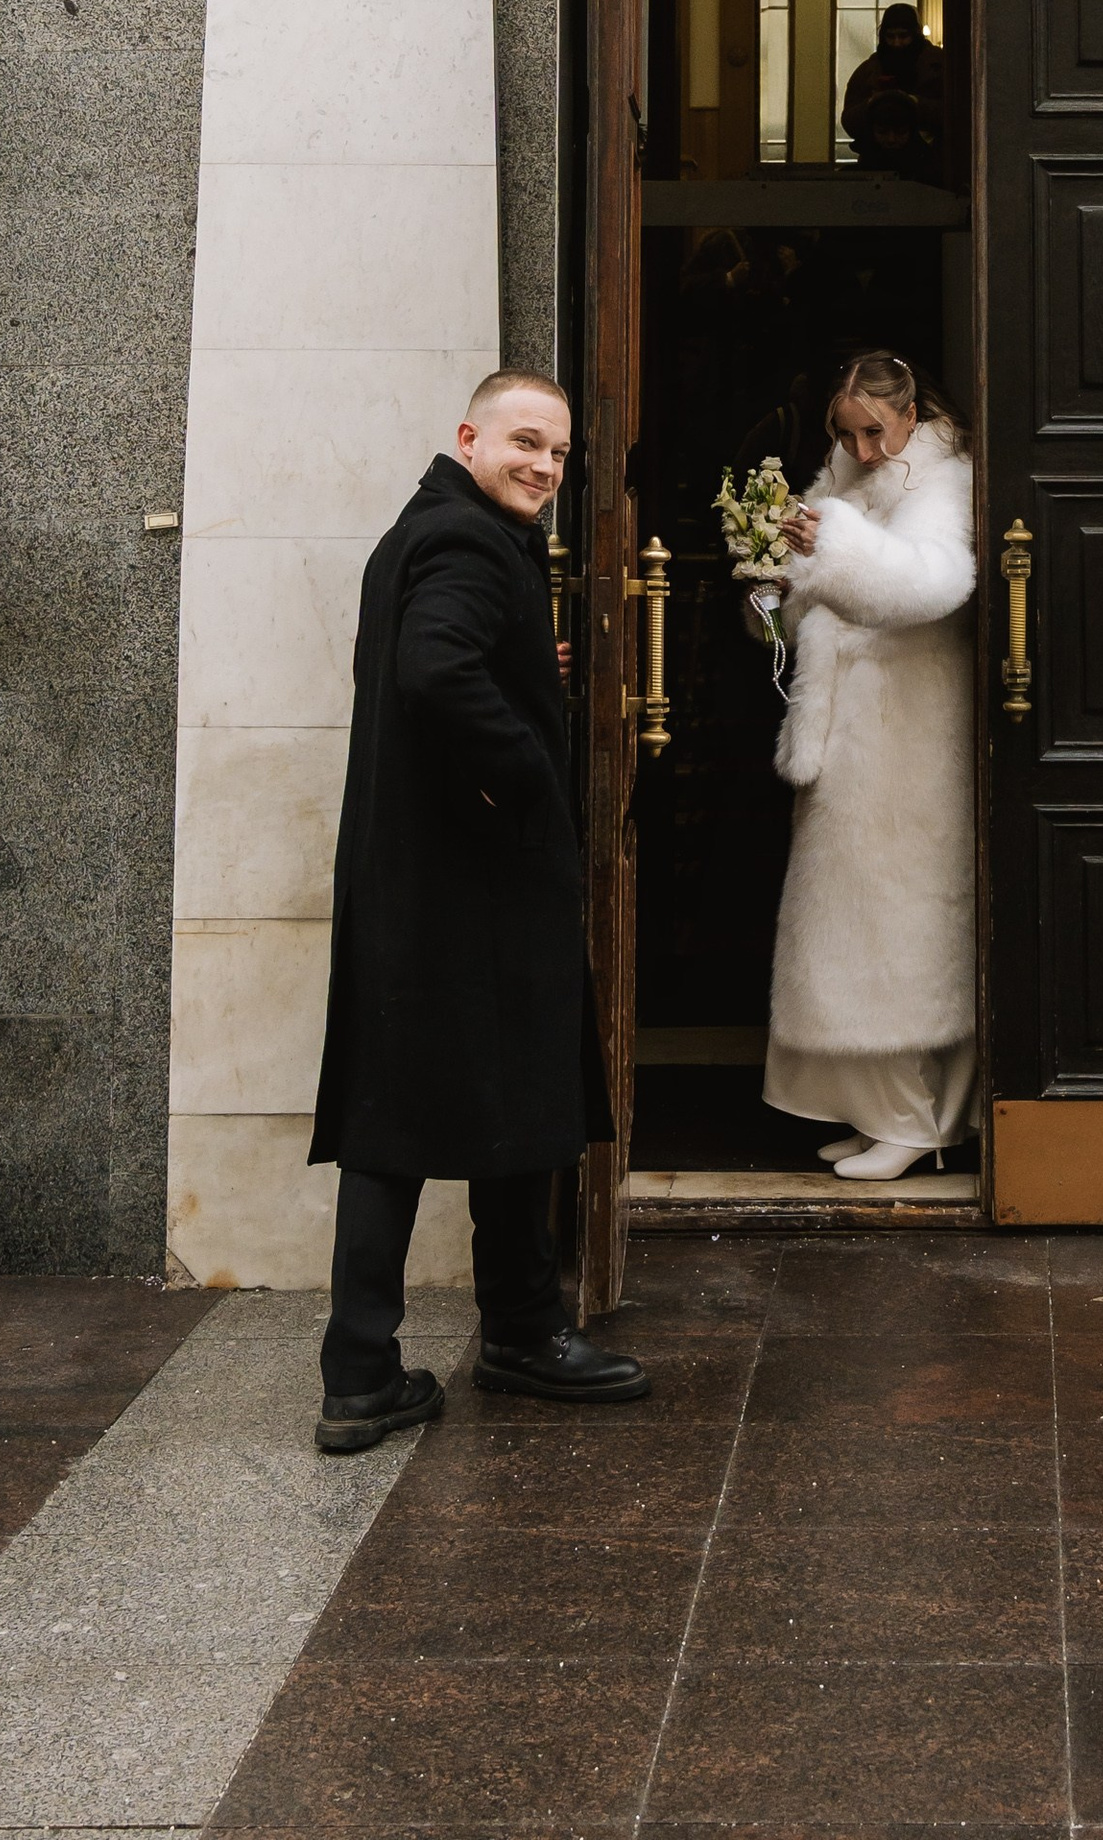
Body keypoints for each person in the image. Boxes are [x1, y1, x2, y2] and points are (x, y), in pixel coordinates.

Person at [308, 368, 647, 1452]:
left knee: (398, 1121)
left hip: (415, 885)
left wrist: (518, 672)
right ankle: (520, 1333)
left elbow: (444, 661)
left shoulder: (426, 528)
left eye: (557, 453)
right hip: (473, 886)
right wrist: (529, 779)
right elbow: (432, 670)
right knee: (512, 1096)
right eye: (525, 443)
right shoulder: (464, 541)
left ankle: (369, 1370)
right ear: (469, 435)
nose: (544, 467)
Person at [747, 349, 977, 1179]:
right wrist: (772, 578)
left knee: (895, 930)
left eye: (875, 432)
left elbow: (935, 584)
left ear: (911, 414)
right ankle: (874, 1108)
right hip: (850, 737)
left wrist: (833, 544)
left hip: (906, 739)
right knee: (849, 925)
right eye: (846, 433)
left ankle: (917, 1122)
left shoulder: (945, 481)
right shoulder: (842, 471)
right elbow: (807, 589)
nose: (863, 449)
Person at [839, 1, 947, 179]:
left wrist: (916, 104)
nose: (897, 43)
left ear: (915, 34)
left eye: (903, 36)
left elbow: (957, 112)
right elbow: (849, 120)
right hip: (881, 161)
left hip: (928, 162)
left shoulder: (940, 65)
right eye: (891, 36)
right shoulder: (868, 70)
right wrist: (873, 104)